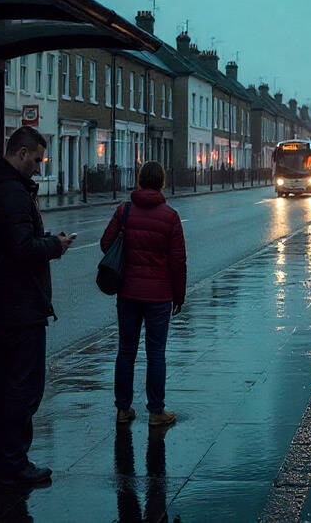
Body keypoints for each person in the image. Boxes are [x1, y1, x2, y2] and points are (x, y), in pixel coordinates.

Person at [0, 126, 74, 485]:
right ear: (20, 153)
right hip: (19, 306)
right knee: (22, 387)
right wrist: (55, 247)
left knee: (1, 384)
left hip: (4, 303)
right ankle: (13, 462)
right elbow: (20, 249)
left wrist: (44, 240)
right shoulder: (13, 194)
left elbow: (12, 242)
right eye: (36, 160)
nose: (39, 167)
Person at [101, 161, 187, 427]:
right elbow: (178, 261)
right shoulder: (170, 216)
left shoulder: (124, 211)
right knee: (156, 353)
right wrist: (179, 296)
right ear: (162, 182)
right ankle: (156, 411)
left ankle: (123, 409)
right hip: (160, 297)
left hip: (127, 294)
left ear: (139, 181)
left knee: (126, 351)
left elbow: (106, 244)